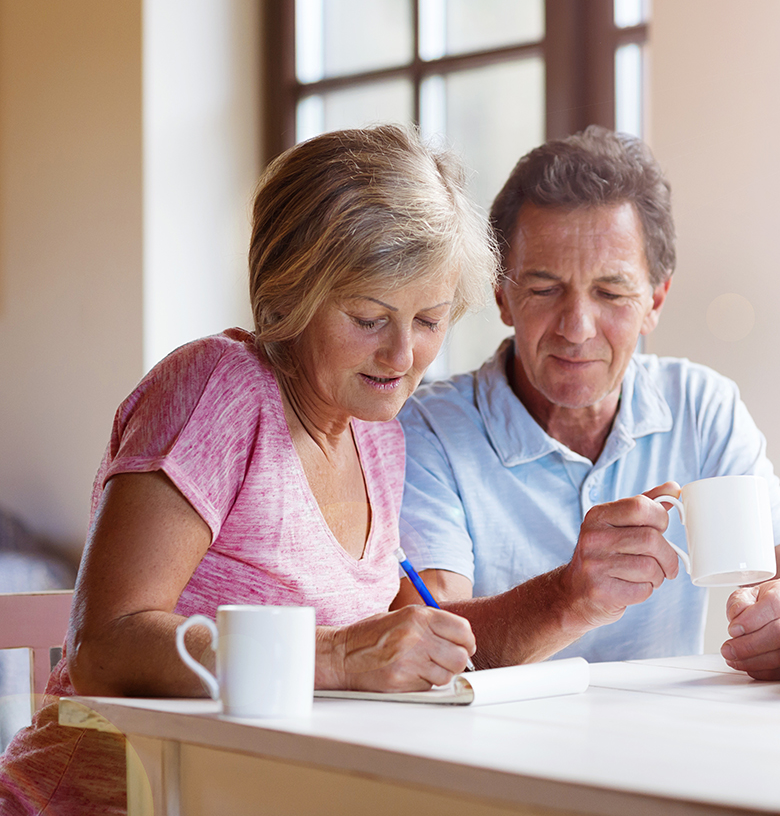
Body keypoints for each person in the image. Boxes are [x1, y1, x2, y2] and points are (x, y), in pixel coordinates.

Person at [0, 124, 496, 815]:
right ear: (287, 296)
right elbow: (103, 646)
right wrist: (340, 657)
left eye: (429, 321)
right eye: (368, 317)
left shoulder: (378, 435)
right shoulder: (219, 389)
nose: (402, 355)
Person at [394, 126, 780, 680]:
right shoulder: (428, 428)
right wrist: (569, 597)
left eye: (610, 293)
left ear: (655, 300)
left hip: (664, 730)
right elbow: (429, 636)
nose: (577, 328)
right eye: (544, 289)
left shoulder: (700, 406)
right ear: (502, 295)